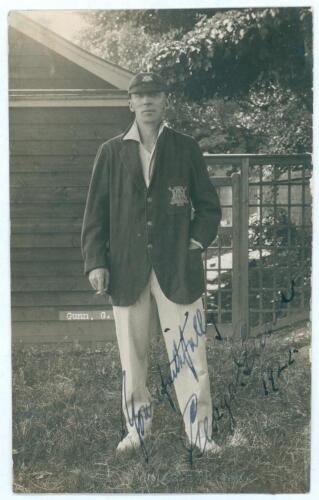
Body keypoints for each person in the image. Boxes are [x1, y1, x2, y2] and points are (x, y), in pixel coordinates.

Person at [81, 72, 222, 454]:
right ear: (130, 103)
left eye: (155, 95)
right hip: (127, 267)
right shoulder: (110, 152)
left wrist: (195, 241)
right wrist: (97, 261)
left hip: (178, 266)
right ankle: (136, 430)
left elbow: (208, 206)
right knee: (133, 353)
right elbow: (95, 215)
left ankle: (199, 433)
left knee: (189, 352)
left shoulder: (185, 148)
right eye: (139, 96)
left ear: (165, 101)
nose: (147, 102)